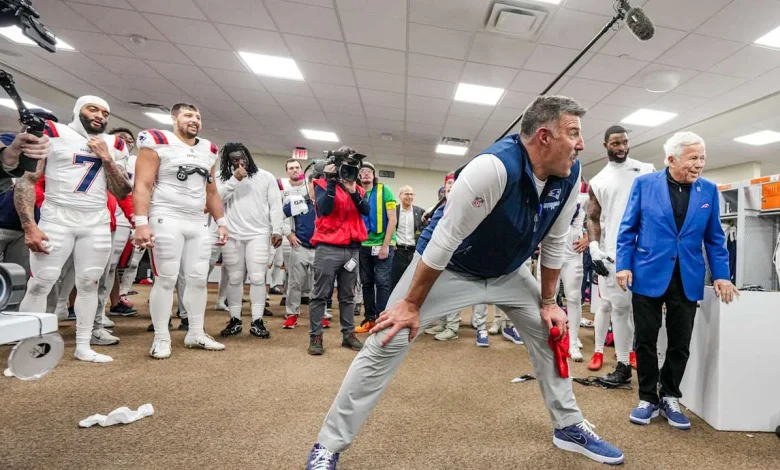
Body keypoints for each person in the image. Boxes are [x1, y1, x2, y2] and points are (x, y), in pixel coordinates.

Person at [305, 96, 625, 468]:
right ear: (543, 137)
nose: (581, 144)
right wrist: (409, 306)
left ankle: (568, 425)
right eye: (573, 134)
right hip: (450, 267)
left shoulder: (570, 176)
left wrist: (549, 302)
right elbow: (444, 240)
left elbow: (553, 240)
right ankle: (329, 444)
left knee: (549, 333)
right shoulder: (492, 168)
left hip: (509, 271)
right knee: (386, 338)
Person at [617, 131, 738, 430]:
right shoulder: (645, 184)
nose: (700, 164)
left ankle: (670, 394)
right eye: (693, 158)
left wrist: (722, 275)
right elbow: (628, 228)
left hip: (688, 276)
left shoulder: (709, 191)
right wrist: (623, 265)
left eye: (703, 158)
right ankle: (647, 398)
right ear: (671, 159)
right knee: (644, 339)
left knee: (680, 342)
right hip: (647, 272)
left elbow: (714, 239)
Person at [14, 95, 130, 363]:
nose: (100, 115)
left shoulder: (115, 144)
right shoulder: (53, 133)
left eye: (105, 112)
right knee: (40, 283)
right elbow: (27, 180)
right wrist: (29, 225)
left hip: (96, 220)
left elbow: (122, 189)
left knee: (89, 283)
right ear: (78, 111)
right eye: (93, 109)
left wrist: (107, 159)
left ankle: (83, 345)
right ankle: (26, 350)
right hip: (57, 216)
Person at [133, 103, 228, 359]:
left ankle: (196, 332)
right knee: (166, 278)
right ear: (174, 119)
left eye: (198, 116)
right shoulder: (157, 141)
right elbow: (142, 184)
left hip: (197, 221)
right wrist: (140, 221)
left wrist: (221, 221)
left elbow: (211, 190)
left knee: (198, 279)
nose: (194, 120)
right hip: (166, 217)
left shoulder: (208, 149)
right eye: (188, 115)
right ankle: (161, 337)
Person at [586, 125, 654, 383]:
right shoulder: (598, 180)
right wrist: (594, 250)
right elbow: (592, 218)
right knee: (620, 309)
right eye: (616, 143)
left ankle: (651, 363)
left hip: (647, 252)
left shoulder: (646, 169)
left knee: (648, 310)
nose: (622, 147)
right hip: (615, 253)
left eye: (625, 142)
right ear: (605, 145)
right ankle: (623, 364)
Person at [216, 142, 283, 338]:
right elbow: (216, 200)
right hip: (232, 234)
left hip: (259, 234)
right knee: (235, 278)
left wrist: (277, 229)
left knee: (257, 277)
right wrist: (234, 180)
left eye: (242, 157)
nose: (240, 162)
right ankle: (235, 319)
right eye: (234, 159)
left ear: (248, 156)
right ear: (228, 161)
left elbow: (275, 205)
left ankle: (257, 320)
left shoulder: (266, 177)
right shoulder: (223, 178)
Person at [307, 147, 369, 355]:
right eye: (345, 168)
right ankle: (316, 336)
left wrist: (352, 191)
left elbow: (366, 210)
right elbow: (324, 209)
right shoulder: (322, 184)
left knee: (348, 296)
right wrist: (332, 182)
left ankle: (348, 335)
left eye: (351, 169)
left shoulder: (357, 190)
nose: (348, 173)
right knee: (319, 295)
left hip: (351, 249)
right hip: (328, 248)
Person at [354, 161, 397, 334]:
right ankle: (370, 318)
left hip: (383, 245)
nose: (365, 173)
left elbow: (392, 219)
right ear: (358, 175)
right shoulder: (355, 192)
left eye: (369, 171)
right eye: (362, 171)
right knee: (366, 283)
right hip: (363, 245)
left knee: (382, 282)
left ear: (373, 175)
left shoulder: (384, 190)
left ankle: (382, 319)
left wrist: (385, 245)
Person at [282, 173, 316, 329]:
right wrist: (288, 233)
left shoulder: (327, 203)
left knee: (318, 285)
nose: (316, 187)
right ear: (308, 185)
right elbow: (280, 215)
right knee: (295, 283)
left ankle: (319, 315)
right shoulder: (299, 200)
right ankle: (292, 314)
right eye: (313, 184)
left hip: (320, 249)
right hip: (300, 246)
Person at [390, 185, 424, 290]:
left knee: (411, 283)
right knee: (394, 282)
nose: (409, 196)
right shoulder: (393, 211)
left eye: (411, 194)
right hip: (398, 252)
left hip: (413, 253)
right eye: (406, 194)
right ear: (400, 196)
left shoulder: (421, 212)